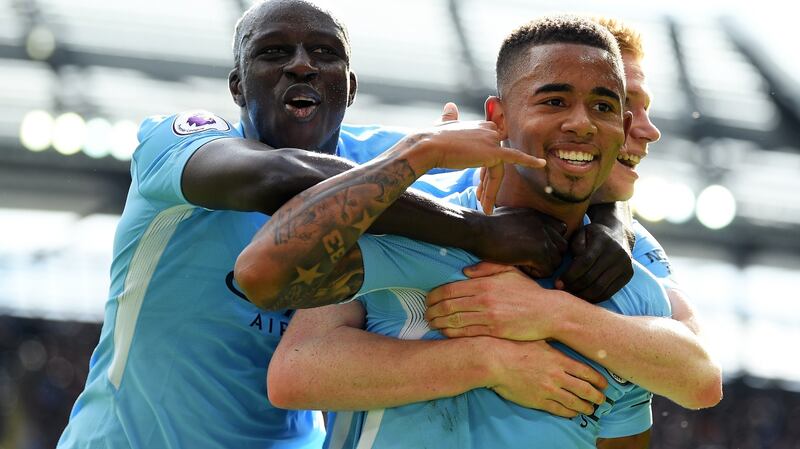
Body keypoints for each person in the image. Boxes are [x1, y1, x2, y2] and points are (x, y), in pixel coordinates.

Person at [58, 2, 631, 448]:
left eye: (324, 54)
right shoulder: (177, 143)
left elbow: (553, 160)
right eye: (273, 52)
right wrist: (473, 228)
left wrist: (608, 220)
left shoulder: (388, 160)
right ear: (237, 85)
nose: (302, 64)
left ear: (349, 88)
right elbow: (277, 179)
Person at [238, 15, 721, 449]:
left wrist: (552, 313)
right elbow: (293, 361)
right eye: (555, 99)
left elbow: (698, 375)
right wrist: (489, 360)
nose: (583, 122)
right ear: (499, 118)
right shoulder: (416, 213)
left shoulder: (626, 281)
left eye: (606, 105)